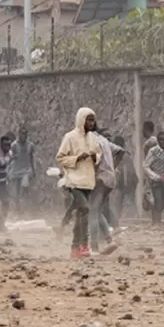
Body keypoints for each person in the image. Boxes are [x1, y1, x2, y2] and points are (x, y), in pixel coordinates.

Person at [56, 108, 101, 258]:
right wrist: (77, 158)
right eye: (88, 120)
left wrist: (95, 157)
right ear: (81, 120)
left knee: (80, 214)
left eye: (92, 120)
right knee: (85, 209)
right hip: (74, 181)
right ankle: (84, 245)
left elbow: (98, 155)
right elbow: (61, 158)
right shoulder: (70, 137)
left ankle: (74, 248)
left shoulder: (93, 138)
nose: (91, 123)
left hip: (88, 181)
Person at [90, 128, 123, 255]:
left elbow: (95, 160)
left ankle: (94, 248)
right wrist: (113, 167)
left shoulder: (92, 140)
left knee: (92, 212)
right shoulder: (104, 141)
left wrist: (94, 172)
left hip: (100, 179)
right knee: (97, 211)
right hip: (110, 179)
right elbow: (121, 151)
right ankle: (110, 241)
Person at [9, 128, 36, 215]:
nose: (22, 136)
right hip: (16, 170)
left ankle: (24, 205)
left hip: (26, 170)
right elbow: (9, 157)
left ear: (26, 136)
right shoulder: (14, 145)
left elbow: (31, 158)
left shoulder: (30, 145)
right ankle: (18, 208)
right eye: (20, 134)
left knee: (24, 186)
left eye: (24, 135)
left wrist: (33, 169)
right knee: (16, 191)